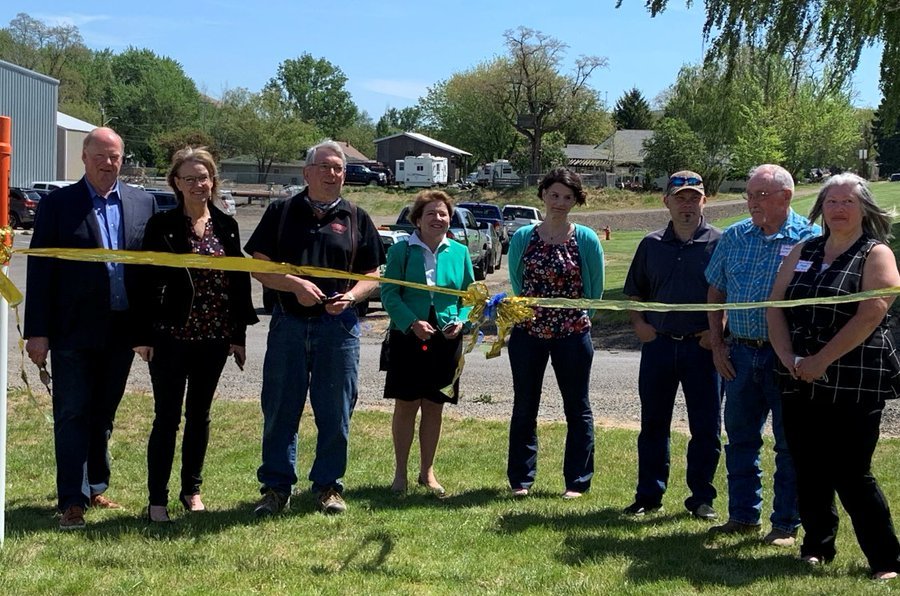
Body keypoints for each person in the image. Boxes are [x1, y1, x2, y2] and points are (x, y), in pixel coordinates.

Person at [767, 174, 900, 579]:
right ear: (820, 210)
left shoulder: (875, 253)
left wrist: (822, 359)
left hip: (853, 379)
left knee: (852, 472)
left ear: (865, 209)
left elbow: (873, 310)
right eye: (831, 202)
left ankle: (885, 560)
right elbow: (774, 305)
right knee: (807, 466)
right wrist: (788, 355)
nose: (838, 209)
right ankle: (817, 546)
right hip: (797, 375)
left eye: (847, 202)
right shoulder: (803, 249)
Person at [23, 127, 157, 530]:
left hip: (120, 332)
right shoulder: (59, 204)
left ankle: (96, 484)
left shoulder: (142, 202)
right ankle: (72, 500)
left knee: (103, 415)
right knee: (72, 413)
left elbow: (149, 273)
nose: (107, 162)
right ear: (84, 157)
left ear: (122, 159)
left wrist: (147, 330)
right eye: (100, 155)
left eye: (114, 156)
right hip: (71, 332)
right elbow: (42, 268)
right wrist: (38, 331)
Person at [245, 140, 385, 516]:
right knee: (279, 410)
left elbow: (373, 275)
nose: (331, 173)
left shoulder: (357, 217)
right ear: (306, 172)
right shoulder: (281, 211)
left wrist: (353, 297)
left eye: (338, 167)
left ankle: (328, 487)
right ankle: (276, 489)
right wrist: (294, 285)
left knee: (336, 412)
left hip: (339, 329)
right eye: (324, 166)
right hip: (289, 324)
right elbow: (258, 265)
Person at [133, 147, 258, 523]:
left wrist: (238, 335)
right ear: (176, 182)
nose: (198, 184)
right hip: (170, 336)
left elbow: (237, 284)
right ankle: (157, 499)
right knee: (166, 418)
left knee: (199, 416)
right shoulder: (161, 226)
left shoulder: (227, 225)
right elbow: (143, 282)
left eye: (203, 178)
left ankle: (192, 490)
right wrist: (142, 334)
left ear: (213, 181)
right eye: (189, 178)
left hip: (214, 336)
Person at [705, 164, 820, 546]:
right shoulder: (736, 235)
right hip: (739, 351)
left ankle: (785, 524)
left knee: (790, 443)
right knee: (739, 438)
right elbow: (716, 291)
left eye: (761, 195)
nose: (752, 202)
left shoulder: (812, 239)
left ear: (786, 197)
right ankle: (742, 516)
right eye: (750, 194)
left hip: (785, 358)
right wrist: (718, 343)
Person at [622, 171, 722, 520]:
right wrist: (639, 325)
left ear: (704, 201)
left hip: (703, 349)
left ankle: (701, 498)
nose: (687, 204)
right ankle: (648, 495)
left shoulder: (720, 243)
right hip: (659, 347)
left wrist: (718, 332)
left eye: (694, 197)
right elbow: (635, 293)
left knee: (706, 427)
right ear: (666, 201)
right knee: (653, 425)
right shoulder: (651, 244)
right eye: (680, 197)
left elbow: (731, 295)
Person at [506, 168, 604, 499]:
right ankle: (521, 479)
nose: (559, 202)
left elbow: (595, 290)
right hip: (528, 333)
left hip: (572, 334)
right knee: (524, 406)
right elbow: (518, 283)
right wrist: (533, 317)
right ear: (543, 194)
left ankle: (577, 481)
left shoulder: (586, 238)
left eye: (567, 197)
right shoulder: (523, 237)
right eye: (554, 195)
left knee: (577, 408)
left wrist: (577, 320)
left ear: (576, 200)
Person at [380, 190, 474, 497]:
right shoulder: (401, 251)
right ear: (417, 219)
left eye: (444, 214)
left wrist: (461, 320)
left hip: (447, 339)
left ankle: (427, 473)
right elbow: (389, 295)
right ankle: (400, 474)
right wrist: (411, 323)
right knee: (406, 406)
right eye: (431, 214)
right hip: (409, 337)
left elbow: (471, 296)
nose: (438, 219)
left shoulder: (459, 252)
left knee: (435, 407)